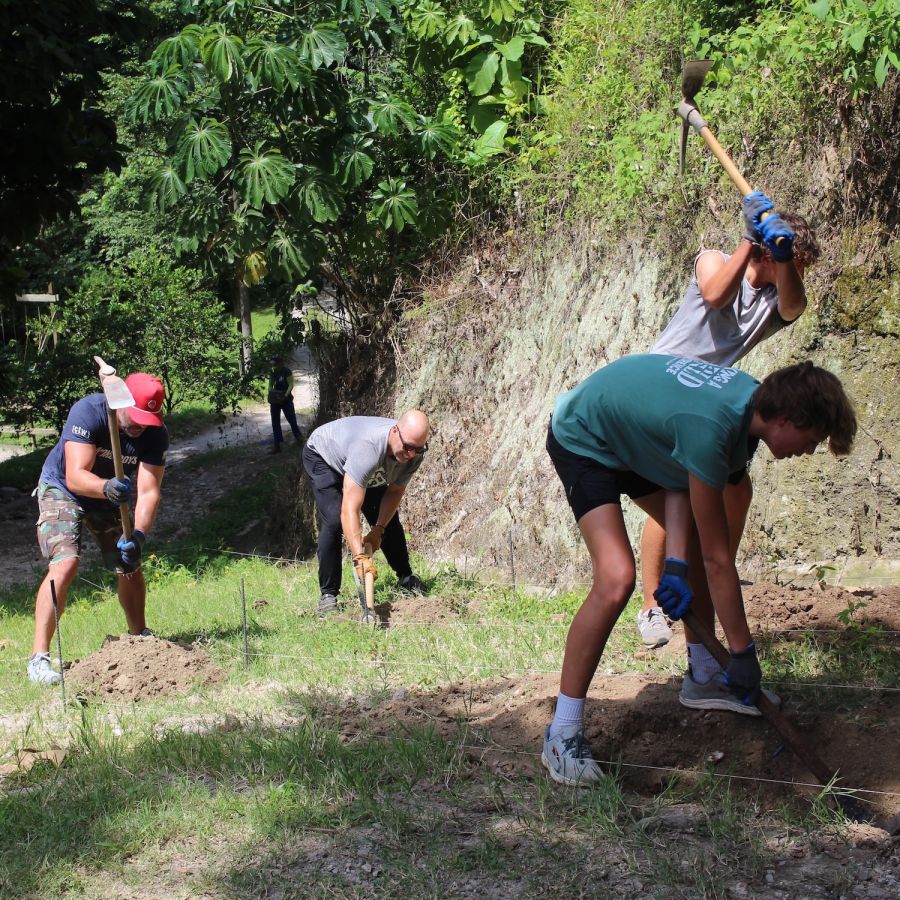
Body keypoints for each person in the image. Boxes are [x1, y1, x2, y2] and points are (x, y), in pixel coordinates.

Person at [541, 354, 855, 785]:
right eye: (813, 437)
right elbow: (718, 561)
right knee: (617, 578)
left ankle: (705, 675)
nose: (810, 449)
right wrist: (744, 655)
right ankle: (563, 732)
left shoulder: (746, 409)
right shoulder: (714, 426)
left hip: (634, 442)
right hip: (586, 436)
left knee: (696, 542)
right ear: (786, 417)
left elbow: (677, 474)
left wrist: (675, 564)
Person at [636, 193, 821, 649]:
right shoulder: (713, 260)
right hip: (662, 384)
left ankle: (711, 572)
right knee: (673, 489)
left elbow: (796, 307)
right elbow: (716, 294)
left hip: (705, 398)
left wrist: (783, 260)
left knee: (736, 488)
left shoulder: (777, 299)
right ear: (763, 250)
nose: (796, 272)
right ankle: (649, 607)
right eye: (793, 260)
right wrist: (747, 238)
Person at [27, 373, 169, 685]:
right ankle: (39, 659)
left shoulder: (154, 434)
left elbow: (148, 491)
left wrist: (139, 536)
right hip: (63, 488)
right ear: (122, 403)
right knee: (66, 563)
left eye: (148, 419)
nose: (140, 426)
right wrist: (106, 486)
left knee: (128, 563)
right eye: (135, 417)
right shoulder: (89, 412)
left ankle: (138, 637)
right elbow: (75, 475)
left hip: (108, 496)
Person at [302, 411, 431, 616]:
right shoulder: (368, 450)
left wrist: (378, 529)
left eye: (418, 448)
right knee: (334, 522)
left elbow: (395, 491)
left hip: (364, 463)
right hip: (324, 457)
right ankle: (328, 595)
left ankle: (406, 577)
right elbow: (349, 509)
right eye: (407, 447)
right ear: (395, 432)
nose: (411, 455)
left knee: (388, 520)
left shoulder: (413, 452)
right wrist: (360, 557)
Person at [268, 354, 302, 454]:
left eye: (276, 364)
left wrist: (285, 396)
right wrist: (272, 393)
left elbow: (291, 384)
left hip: (286, 399)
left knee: (291, 419)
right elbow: (270, 385)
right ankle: (277, 445)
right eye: (273, 364)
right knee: (275, 422)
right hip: (275, 400)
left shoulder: (286, 371)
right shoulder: (272, 372)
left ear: (281, 363)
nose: (274, 366)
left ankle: (299, 440)